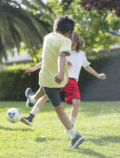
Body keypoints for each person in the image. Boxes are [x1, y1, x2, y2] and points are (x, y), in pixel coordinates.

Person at [21, 16, 84, 149]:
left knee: (57, 107)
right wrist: (62, 72)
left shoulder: (47, 37)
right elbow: (60, 56)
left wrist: (34, 68)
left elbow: (52, 56)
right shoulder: (66, 40)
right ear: (69, 32)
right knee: (45, 93)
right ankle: (31, 99)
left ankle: (74, 136)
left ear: (55, 27)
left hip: (47, 78)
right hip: (60, 80)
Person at [22, 31, 106, 127]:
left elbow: (87, 67)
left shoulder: (80, 54)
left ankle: (70, 125)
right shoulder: (62, 52)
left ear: (77, 42)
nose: (70, 46)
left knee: (76, 102)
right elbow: (45, 62)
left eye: (73, 44)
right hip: (60, 79)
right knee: (45, 96)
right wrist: (33, 68)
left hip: (72, 81)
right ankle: (30, 117)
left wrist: (98, 75)